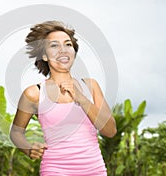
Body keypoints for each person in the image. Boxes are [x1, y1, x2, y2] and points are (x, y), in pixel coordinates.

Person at [10, 21, 117, 175]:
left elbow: (110, 130)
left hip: (95, 170)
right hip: (56, 170)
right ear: (45, 56)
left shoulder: (91, 87)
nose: (63, 50)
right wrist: (27, 148)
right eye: (54, 45)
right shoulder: (34, 93)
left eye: (68, 45)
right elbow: (16, 132)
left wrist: (82, 99)